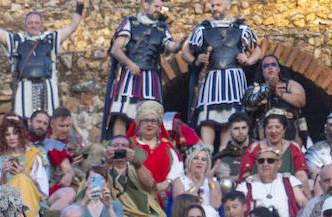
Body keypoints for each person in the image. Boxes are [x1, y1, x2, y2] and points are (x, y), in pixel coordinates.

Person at [181, 0, 260, 147]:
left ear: (228, 5)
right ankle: (206, 159)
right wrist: (196, 60)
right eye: (213, 5)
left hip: (233, 82)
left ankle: (225, 159)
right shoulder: (202, 29)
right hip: (210, 80)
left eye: (218, 5)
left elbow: (257, 50)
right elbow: (185, 52)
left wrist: (248, 60)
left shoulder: (241, 28)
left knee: (230, 127)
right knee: (207, 120)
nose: (214, 8)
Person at [0, 2, 84, 118]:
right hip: (25, 89)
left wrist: (79, 5)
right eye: (30, 22)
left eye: (36, 23)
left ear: (41, 25)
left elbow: (73, 26)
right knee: (24, 123)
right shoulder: (16, 40)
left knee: (47, 122)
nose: (33, 25)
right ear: (25, 25)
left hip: (47, 87)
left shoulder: (50, 39)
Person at [105, 0, 179, 133]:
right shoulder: (131, 23)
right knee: (121, 115)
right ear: (145, 5)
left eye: (161, 7)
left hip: (151, 78)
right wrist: (130, 64)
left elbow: (171, 46)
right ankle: (119, 148)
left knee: (148, 118)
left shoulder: (162, 28)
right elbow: (116, 49)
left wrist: (181, 44)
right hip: (130, 77)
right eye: (156, 6)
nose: (159, 10)